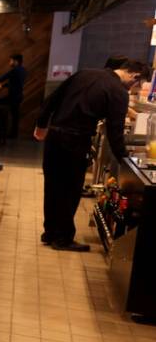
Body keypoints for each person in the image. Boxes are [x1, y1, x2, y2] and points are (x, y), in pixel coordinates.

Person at [34, 59, 149, 251]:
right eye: (137, 85)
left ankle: (51, 232)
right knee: (70, 191)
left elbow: (52, 99)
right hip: (76, 142)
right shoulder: (118, 92)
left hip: (54, 136)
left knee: (53, 186)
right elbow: (115, 131)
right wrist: (126, 160)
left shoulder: (84, 72)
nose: (133, 89)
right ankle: (62, 239)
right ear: (134, 76)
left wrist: (41, 124)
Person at [0, 54, 27, 138]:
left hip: (13, 97)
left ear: (16, 61)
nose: (9, 62)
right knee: (15, 116)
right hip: (18, 96)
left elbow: (3, 78)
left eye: (11, 61)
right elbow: (14, 82)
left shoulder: (15, 70)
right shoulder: (23, 70)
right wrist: (2, 86)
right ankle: (12, 134)